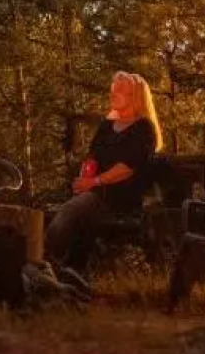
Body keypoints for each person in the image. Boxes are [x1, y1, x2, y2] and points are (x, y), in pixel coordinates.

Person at [44, 71, 162, 275]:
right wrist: (84, 178)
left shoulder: (143, 129)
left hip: (120, 201)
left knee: (70, 213)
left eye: (120, 90)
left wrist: (95, 182)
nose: (113, 94)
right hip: (95, 194)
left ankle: (44, 265)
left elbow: (126, 168)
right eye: (112, 90)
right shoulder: (107, 126)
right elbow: (93, 157)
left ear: (135, 96)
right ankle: (70, 272)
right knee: (57, 213)